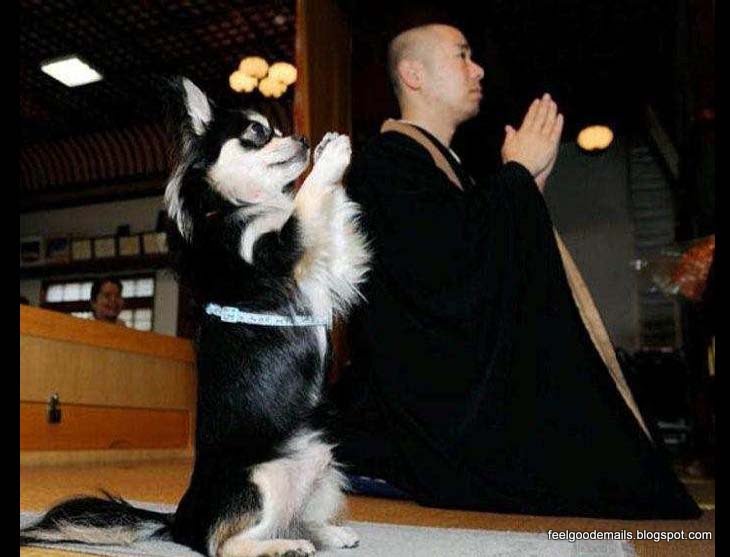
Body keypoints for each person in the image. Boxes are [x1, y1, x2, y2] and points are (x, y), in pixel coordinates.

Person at [332, 23, 700, 519]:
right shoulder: (386, 160)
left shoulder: (442, 165)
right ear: (414, 74)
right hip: (420, 399)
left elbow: (477, 250)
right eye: (462, 56)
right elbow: (442, 271)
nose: (478, 69)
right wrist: (515, 181)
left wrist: (524, 192)